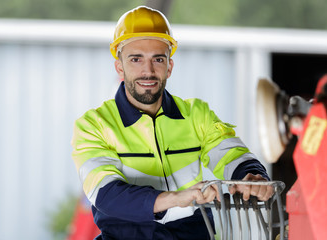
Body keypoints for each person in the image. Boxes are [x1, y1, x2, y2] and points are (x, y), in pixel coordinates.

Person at [71, 6, 272, 240]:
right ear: (120, 67)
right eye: (136, 59)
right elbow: (107, 195)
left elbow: (233, 155)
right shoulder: (93, 125)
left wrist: (253, 177)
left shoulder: (196, 114)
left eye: (158, 59)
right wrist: (176, 197)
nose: (148, 71)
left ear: (170, 67)